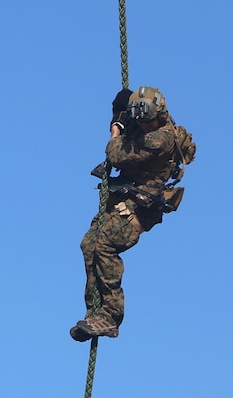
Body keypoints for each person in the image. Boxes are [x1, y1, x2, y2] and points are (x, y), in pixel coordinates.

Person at [71, 86, 195, 341]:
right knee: (88, 244)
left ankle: (110, 318)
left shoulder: (160, 139)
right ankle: (94, 312)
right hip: (124, 198)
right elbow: (126, 101)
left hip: (140, 207)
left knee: (105, 245)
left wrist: (116, 129)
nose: (144, 126)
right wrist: (119, 111)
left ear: (159, 115)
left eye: (147, 122)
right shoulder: (146, 115)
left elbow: (115, 154)